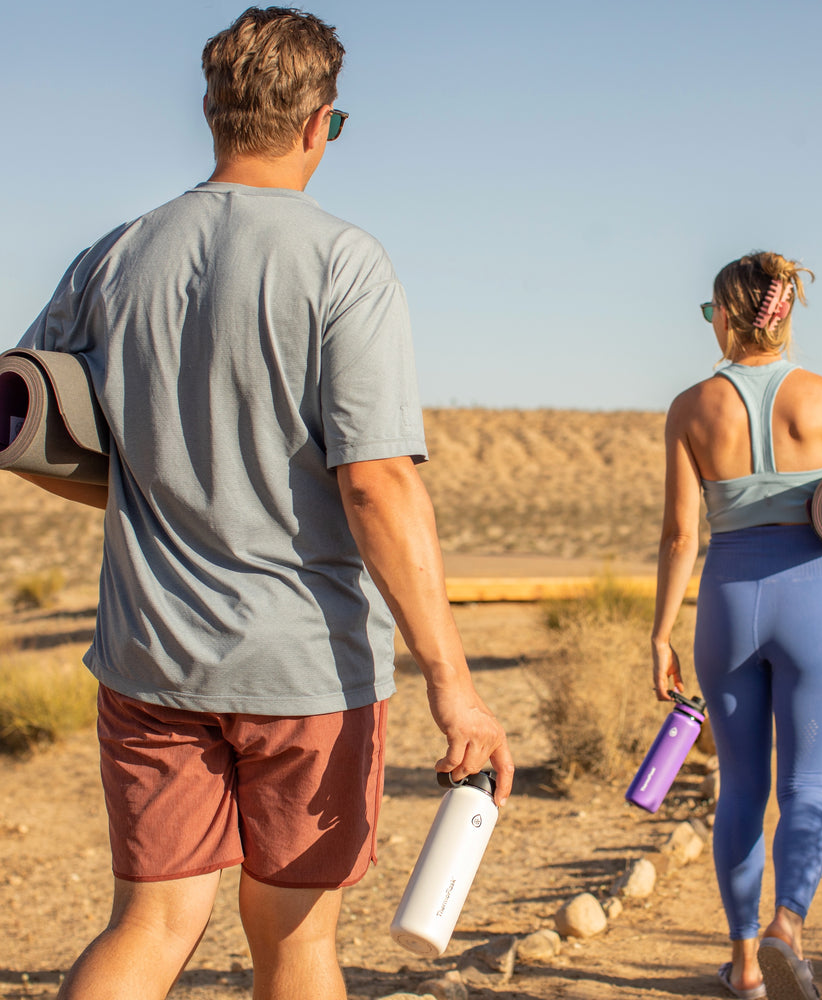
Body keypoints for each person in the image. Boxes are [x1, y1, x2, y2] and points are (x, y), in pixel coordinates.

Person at [15, 8, 514, 1000]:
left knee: (151, 923)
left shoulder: (116, 255)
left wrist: (144, 501)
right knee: (293, 943)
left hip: (151, 656)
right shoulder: (344, 262)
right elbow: (373, 479)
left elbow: (23, 424)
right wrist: (452, 682)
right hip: (307, 671)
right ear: (318, 123)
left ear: (212, 112)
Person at [650, 251, 822, 1000]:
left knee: (739, 784)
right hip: (815, 593)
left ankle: (741, 964)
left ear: (728, 316)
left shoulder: (690, 407)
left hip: (729, 599)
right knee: (806, 784)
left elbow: (679, 536)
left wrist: (661, 633)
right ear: (786, 313)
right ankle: (786, 932)